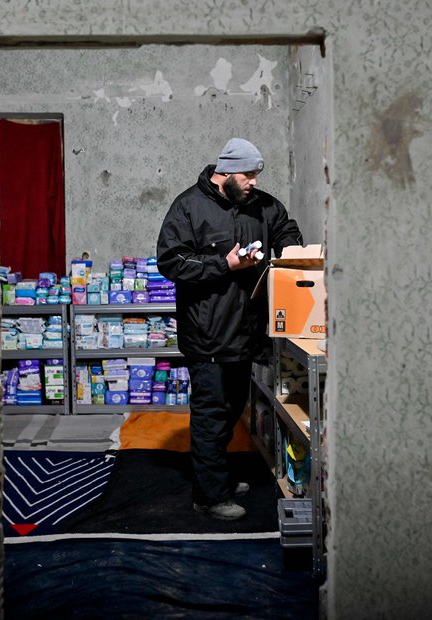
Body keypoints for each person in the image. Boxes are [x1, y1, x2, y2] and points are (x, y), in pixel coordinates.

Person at [156, 138, 303, 521]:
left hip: (245, 333)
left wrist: (289, 251)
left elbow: (285, 226)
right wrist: (224, 265)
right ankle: (208, 496)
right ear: (225, 172)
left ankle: (215, 477)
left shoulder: (259, 204)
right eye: (249, 175)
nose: (254, 182)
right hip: (207, 334)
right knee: (210, 414)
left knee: (232, 410)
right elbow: (171, 263)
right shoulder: (188, 206)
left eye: (257, 175)